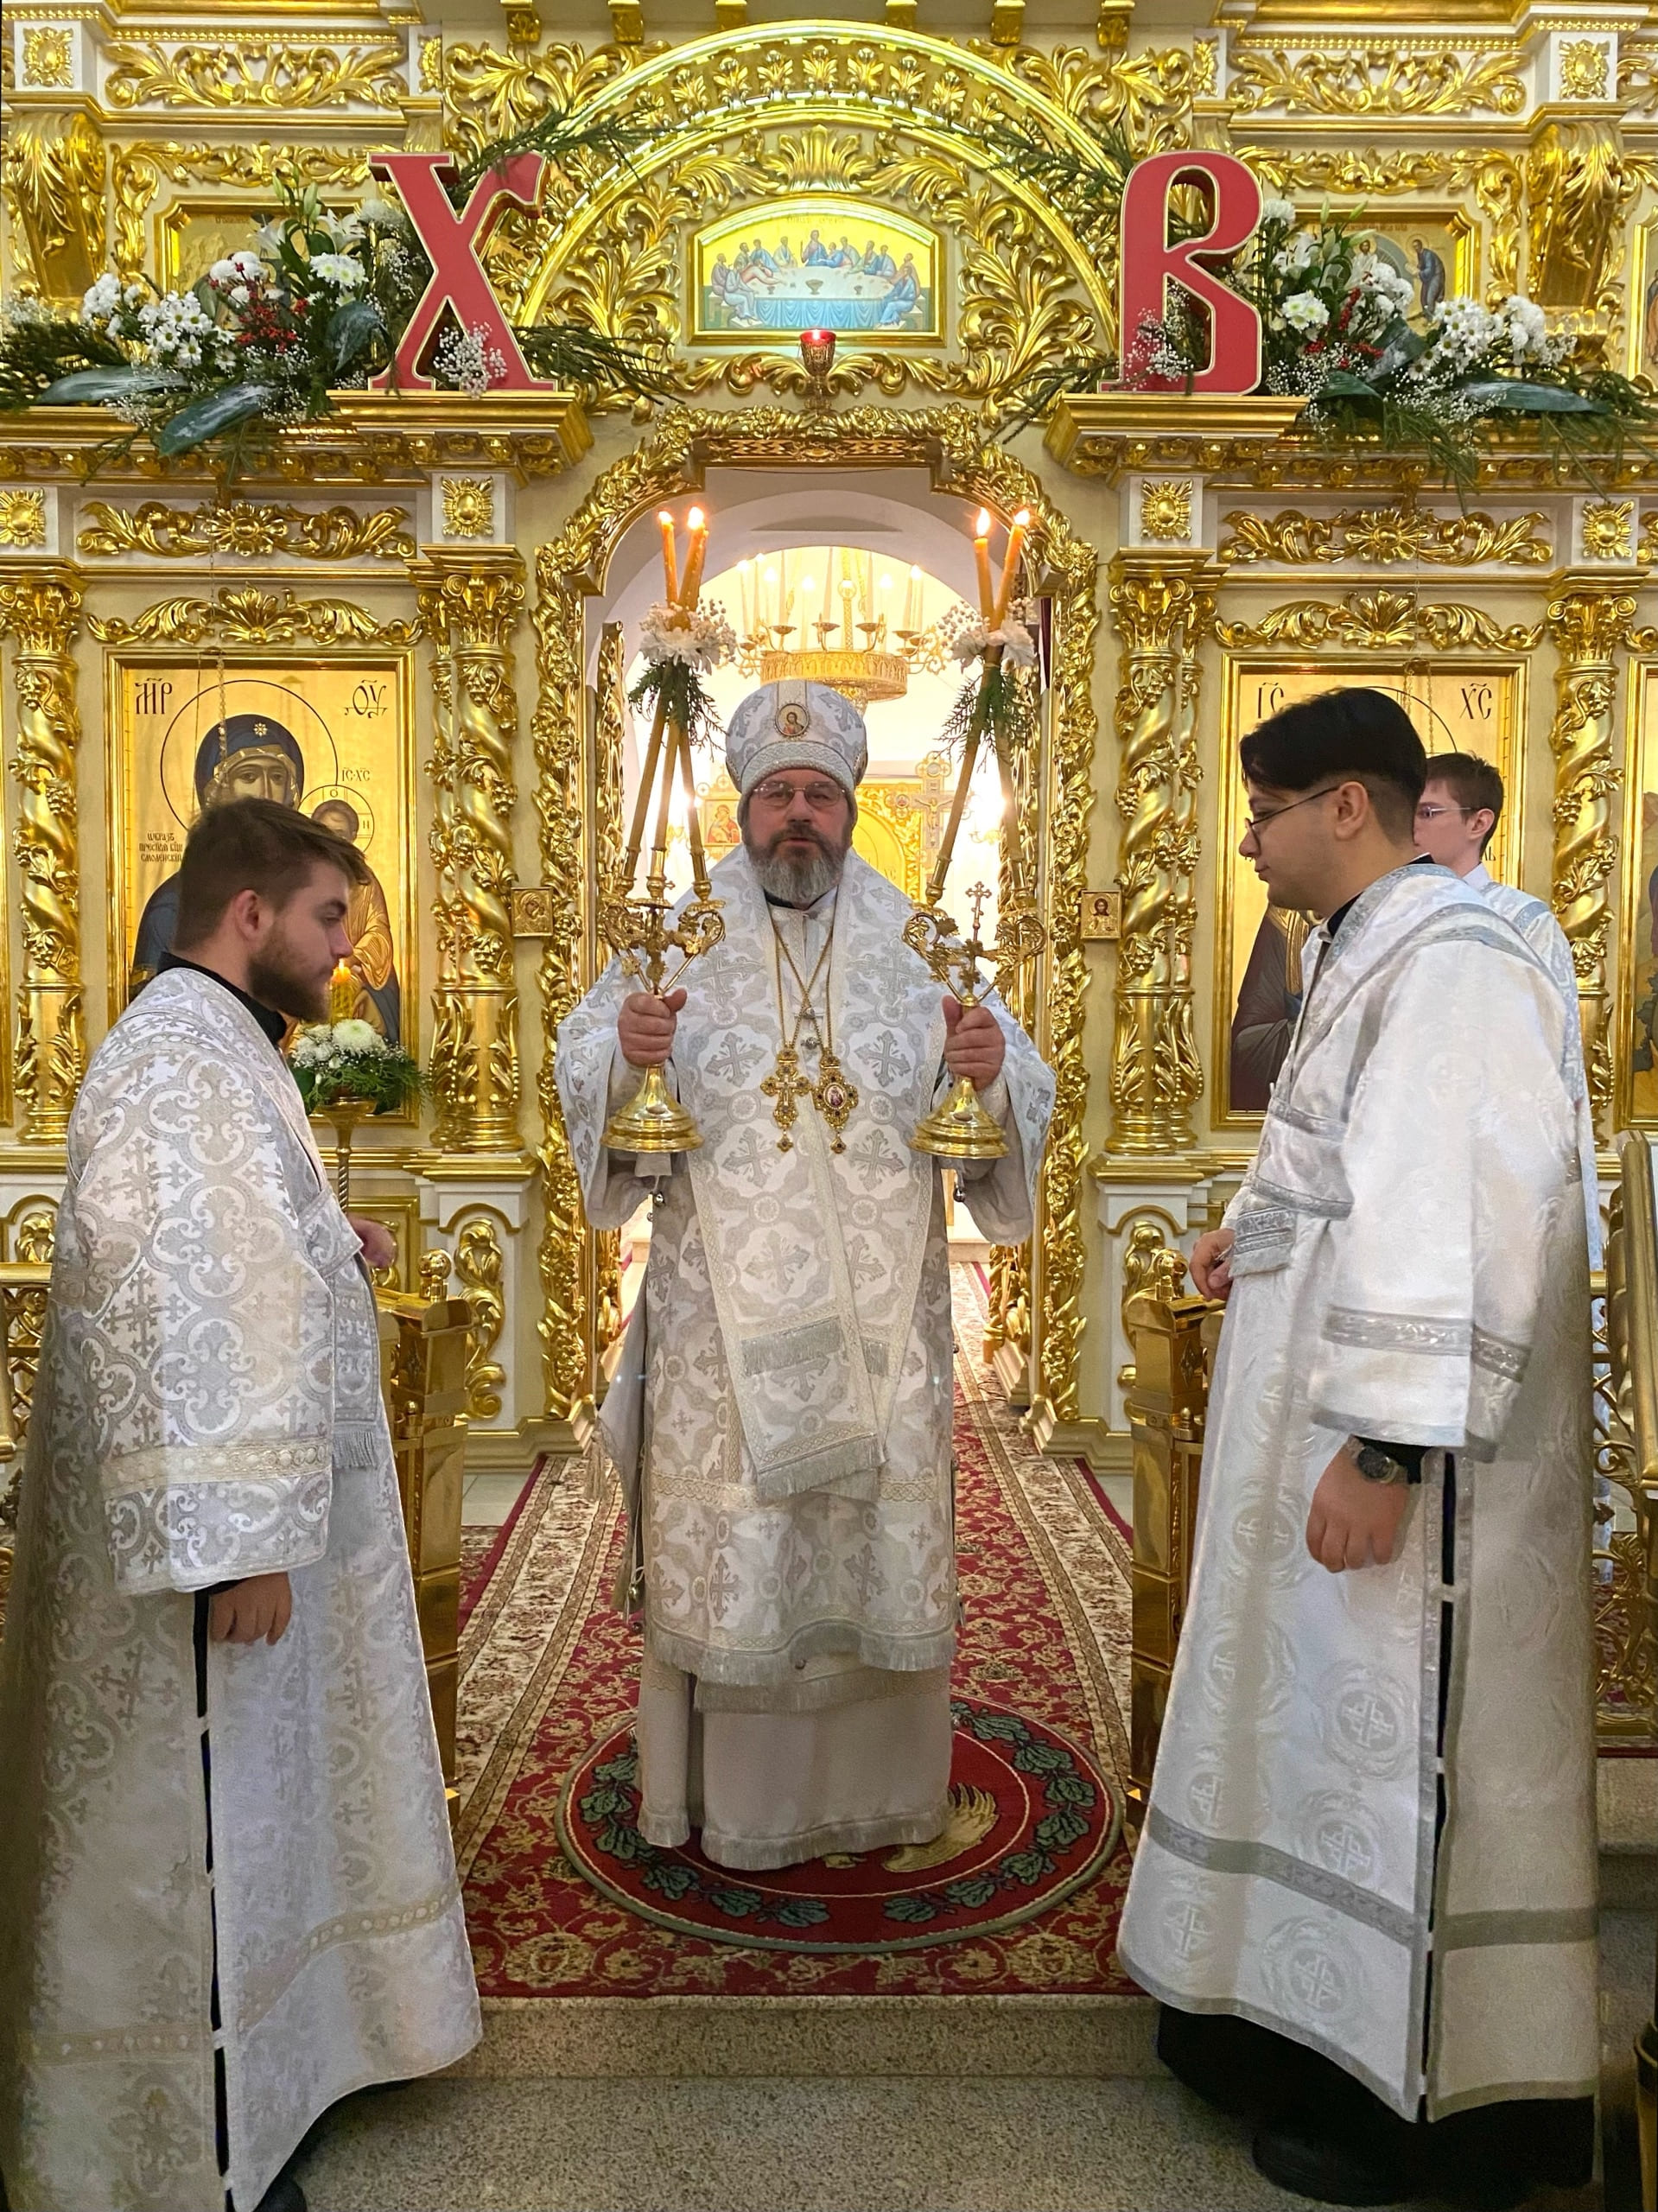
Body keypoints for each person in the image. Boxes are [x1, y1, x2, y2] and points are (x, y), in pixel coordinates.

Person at [1118, 689, 1596, 2209]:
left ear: (1343, 806)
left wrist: (1385, 1450)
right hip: (1318, 1430)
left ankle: (1422, 2119)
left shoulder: (1454, 962)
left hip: (1415, 1471)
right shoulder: (1359, 945)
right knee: (1313, 1727)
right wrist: (1246, 1228)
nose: (1246, 842)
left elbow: (1460, 1209)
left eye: (1263, 812)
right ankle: (1284, 2024)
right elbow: (1334, 1160)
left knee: (1392, 1749)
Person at [0, 798, 480, 2212]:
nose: (346, 953)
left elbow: (238, 1252)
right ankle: (207, 2154)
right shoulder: (181, 1061)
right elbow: (177, 1302)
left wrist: (330, 1238)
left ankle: (272, 2082)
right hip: (217, 1558)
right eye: (330, 919)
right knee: (203, 1830)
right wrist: (239, 1545)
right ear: (251, 913)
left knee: (262, 1813)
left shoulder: (212, 1044)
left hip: (241, 1533)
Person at [556, 679, 1054, 1871]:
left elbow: (1019, 1088)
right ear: (740, 808)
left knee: (863, 1542)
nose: (796, 816)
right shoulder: (674, 939)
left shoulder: (917, 943)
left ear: (848, 807)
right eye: (775, 794)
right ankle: (731, 1803)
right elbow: (582, 1072)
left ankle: (876, 1794)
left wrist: (989, 1067)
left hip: (886, 1325)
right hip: (717, 1324)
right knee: (745, 1549)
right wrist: (622, 1058)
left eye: (817, 795)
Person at [1413, 749, 1598, 1255]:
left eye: (1427, 812)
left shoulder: (1523, 922)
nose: (1412, 825)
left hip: (1494, 1160)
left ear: (1479, 823)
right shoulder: (1388, 915)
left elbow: (1554, 1060)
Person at [133, 713, 307, 989]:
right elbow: (156, 1003)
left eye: (276, 777)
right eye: (248, 776)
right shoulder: (174, 905)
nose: (266, 791)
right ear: (217, 791)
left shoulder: (308, 891)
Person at [309, 796, 402, 1043]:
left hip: (354, 971)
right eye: (326, 832)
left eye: (340, 834)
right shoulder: (301, 880)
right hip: (310, 971)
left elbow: (378, 931)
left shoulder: (364, 882)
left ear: (352, 838)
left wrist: (351, 960)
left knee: (350, 1000)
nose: (333, 840)